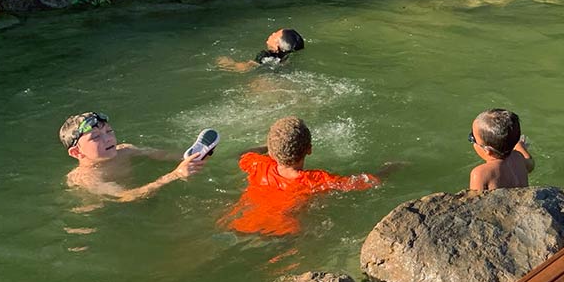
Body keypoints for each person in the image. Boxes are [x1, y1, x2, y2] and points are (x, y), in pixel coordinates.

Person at [224, 116, 381, 235]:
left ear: (271, 152)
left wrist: (271, 146)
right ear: (309, 149)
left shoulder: (258, 165)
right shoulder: (314, 180)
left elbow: (243, 154)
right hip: (284, 232)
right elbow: (362, 182)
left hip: (241, 225)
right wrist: (388, 169)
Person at [60, 111, 205, 200]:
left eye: (109, 131)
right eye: (96, 137)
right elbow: (126, 196)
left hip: (146, 193)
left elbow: (162, 154)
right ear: (76, 152)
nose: (108, 139)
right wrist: (175, 175)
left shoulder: (125, 150)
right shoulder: (86, 178)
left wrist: (193, 155)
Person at [469, 109, 535, 192]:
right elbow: (531, 165)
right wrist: (520, 147)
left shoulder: (480, 174)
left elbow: (475, 198)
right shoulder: (519, 157)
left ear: (487, 150)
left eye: (472, 138)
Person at [216, 28, 305, 72]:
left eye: (275, 35)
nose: (272, 34)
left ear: (277, 45)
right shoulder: (287, 58)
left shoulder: (265, 55)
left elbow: (246, 67)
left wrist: (229, 63)